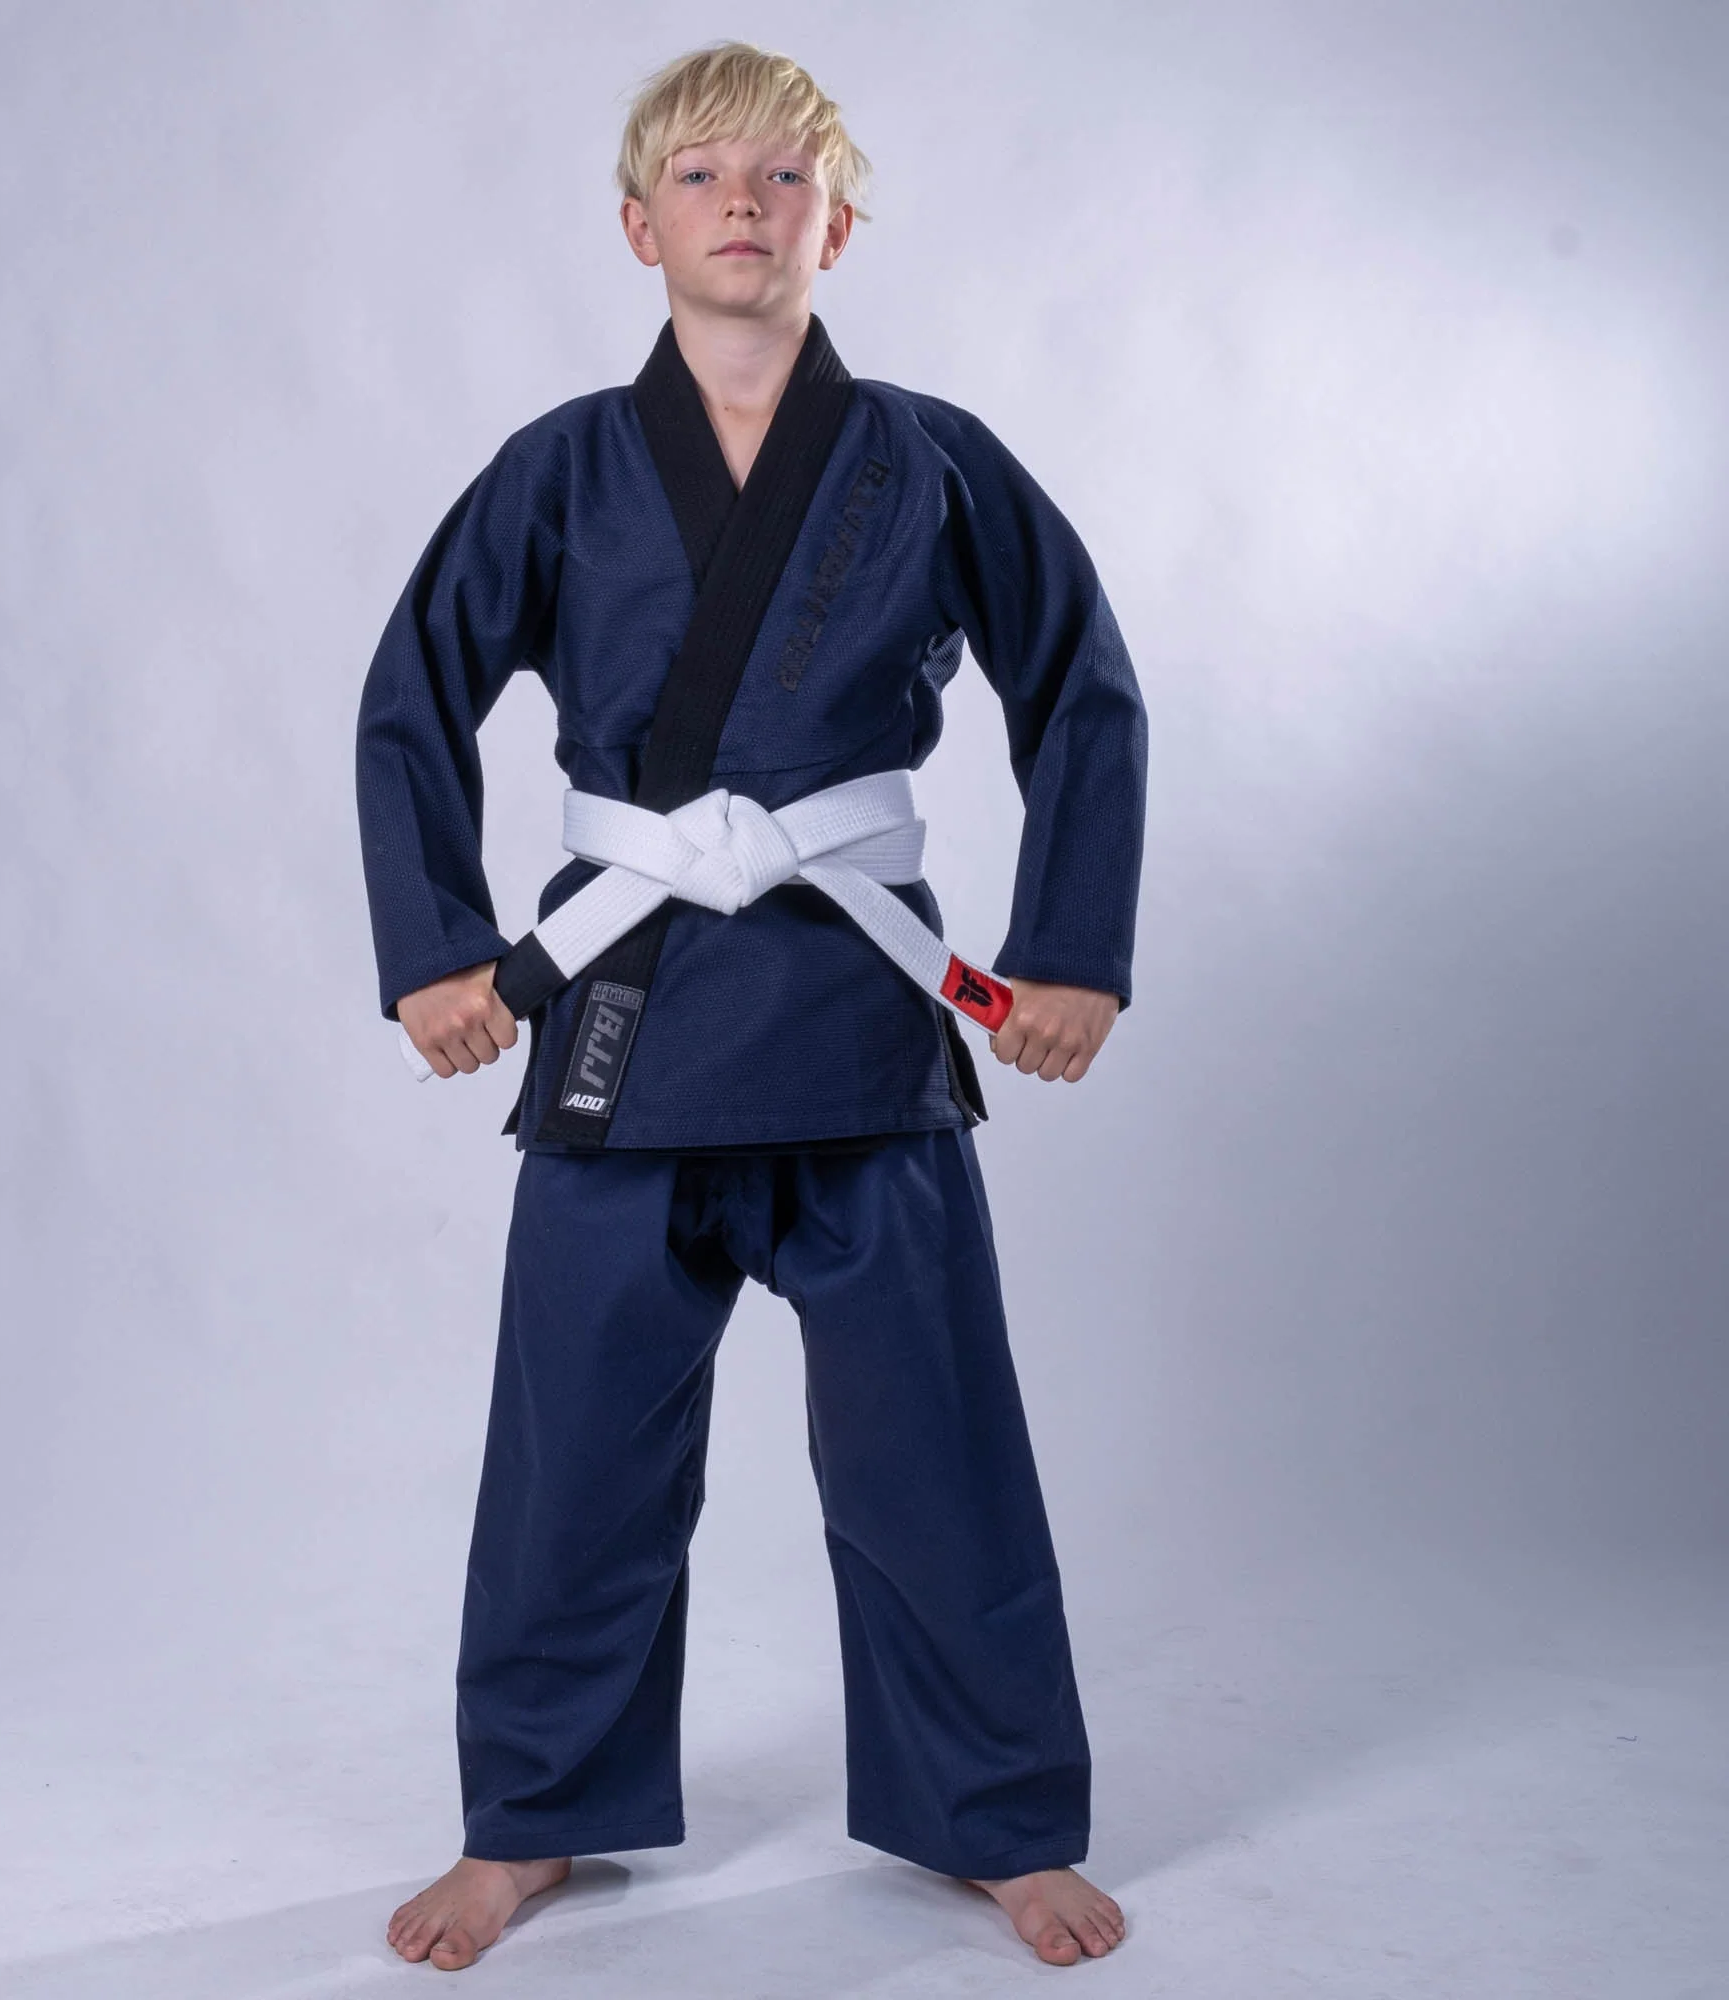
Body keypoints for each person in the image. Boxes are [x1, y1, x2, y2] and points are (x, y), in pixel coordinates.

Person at [358, 41, 1146, 1972]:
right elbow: (411, 696)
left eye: (782, 175)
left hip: (860, 1017)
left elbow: (1082, 687)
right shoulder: (559, 469)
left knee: (932, 1449)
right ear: (639, 226)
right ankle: (535, 1817)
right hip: (627, 1012)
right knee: (575, 1455)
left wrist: (1070, 949)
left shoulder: (932, 460)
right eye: (702, 174)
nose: (742, 200)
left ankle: (994, 1815)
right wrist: (437, 947)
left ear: (835, 225)